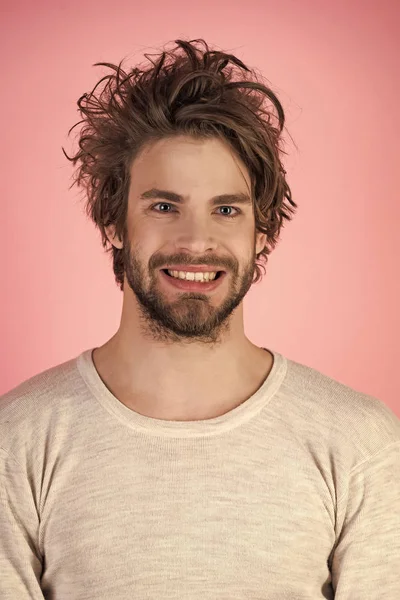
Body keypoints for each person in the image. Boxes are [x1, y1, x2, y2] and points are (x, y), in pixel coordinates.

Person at [0, 38, 399, 600]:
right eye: (164, 207)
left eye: (226, 209)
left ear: (263, 235)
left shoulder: (360, 442)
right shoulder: (15, 442)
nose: (196, 241)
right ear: (114, 224)